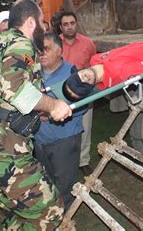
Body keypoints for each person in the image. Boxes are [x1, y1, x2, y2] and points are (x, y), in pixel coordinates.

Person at [0, 0, 72, 230]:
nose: (46, 28)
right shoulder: (21, 43)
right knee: (50, 211)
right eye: (43, 22)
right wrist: (54, 106)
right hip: (3, 151)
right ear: (30, 22)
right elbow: (16, 90)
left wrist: (40, 109)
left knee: (21, 213)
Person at [33, 33, 87, 210]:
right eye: (39, 49)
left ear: (59, 51)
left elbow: (83, 106)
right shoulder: (33, 74)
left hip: (64, 140)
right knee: (47, 185)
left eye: (46, 49)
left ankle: (67, 221)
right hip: (40, 140)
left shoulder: (74, 75)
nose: (42, 53)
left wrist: (52, 113)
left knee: (66, 189)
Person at [59, 11, 97, 176]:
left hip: (83, 93)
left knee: (85, 127)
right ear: (61, 27)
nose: (69, 27)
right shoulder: (54, 43)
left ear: (76, 24)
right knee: (62, 127)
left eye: (72, 23)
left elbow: (94, 65)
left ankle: (83, 161)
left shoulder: (88, 44)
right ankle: (64, 160)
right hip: (60, 92)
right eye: (65, 24)